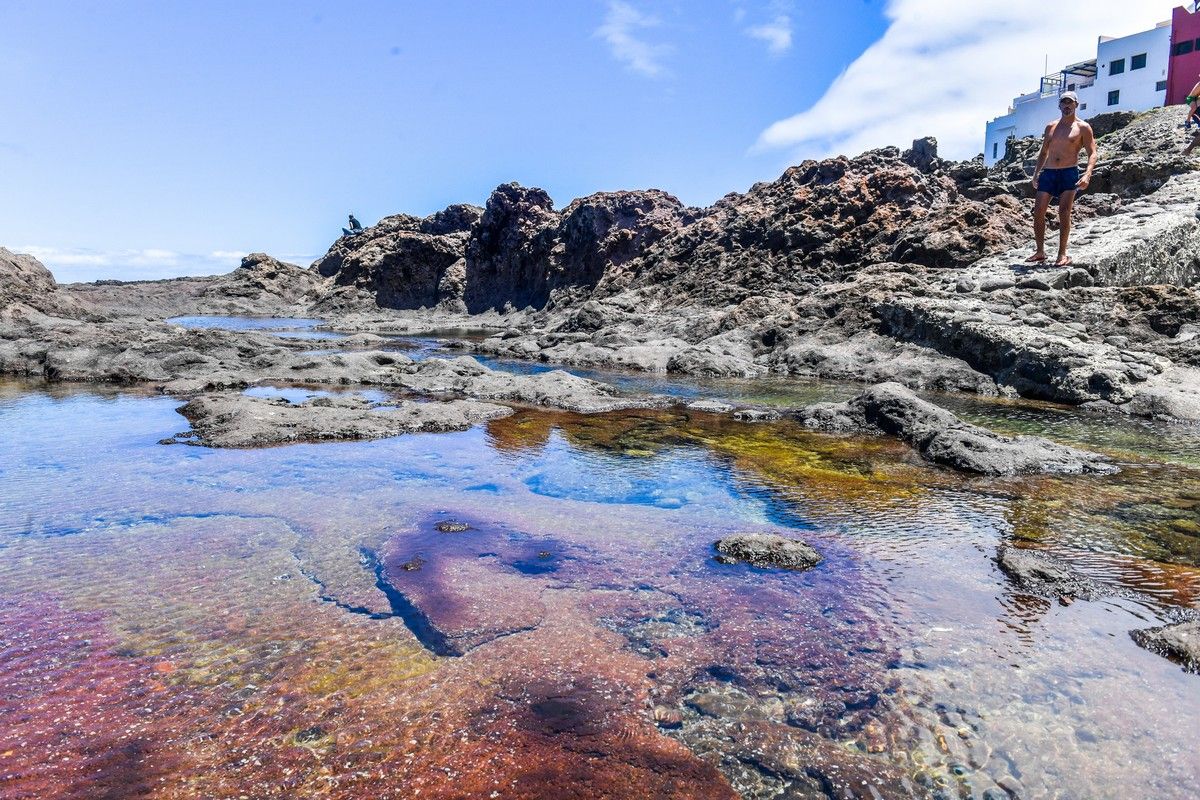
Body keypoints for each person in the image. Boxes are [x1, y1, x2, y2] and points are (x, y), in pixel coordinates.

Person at [1028, 92, 1096, 267]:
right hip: (1049, 173)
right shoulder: (1051, 126)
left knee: (1064, 212)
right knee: (1038, 212)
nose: (1067, 106)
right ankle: (1040, 252)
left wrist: (1087, 174)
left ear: (1076, 105)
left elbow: (1092, 153)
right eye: (1064, 103)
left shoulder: (1083, 127)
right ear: (1059, 106)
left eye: (1070, 103)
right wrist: (1036, 174)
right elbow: (1044, 152)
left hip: (1069, 173)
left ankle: (1062, 254)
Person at [1183, 76, 1200, 155]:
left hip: (1195, 99)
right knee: (1194, 108)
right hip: (1191, 99)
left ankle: (1188, 150)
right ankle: (1187, 121)